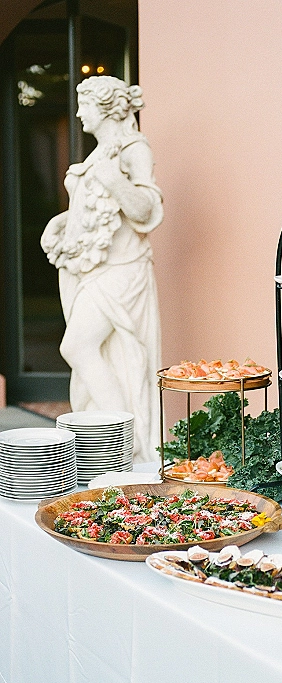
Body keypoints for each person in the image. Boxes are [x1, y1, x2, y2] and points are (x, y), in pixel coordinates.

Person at [41, 76, 163, 463]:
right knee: (95, 350)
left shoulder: (133, 149)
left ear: (105, 107)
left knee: (76, 345)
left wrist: (115, 181)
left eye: (84, 104)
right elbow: (95, 210)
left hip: (122, 271)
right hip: (93, 267)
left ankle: (123, 440)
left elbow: (145, 209)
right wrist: (61, 221)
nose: (78, 113)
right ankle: (108, 440)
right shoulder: (100, 152)